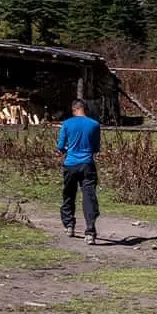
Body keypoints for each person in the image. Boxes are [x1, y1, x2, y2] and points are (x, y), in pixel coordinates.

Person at [57, 99, 103, 242]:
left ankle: (69, 224)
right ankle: (90, 230)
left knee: (69, 194)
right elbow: (96, 147)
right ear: (85, 109)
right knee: (89, 196)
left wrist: (67, 150)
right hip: (87, 164)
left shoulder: (66, 124)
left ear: (73, 109)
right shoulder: (94, 125)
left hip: (70, 163)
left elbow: (60, 146)